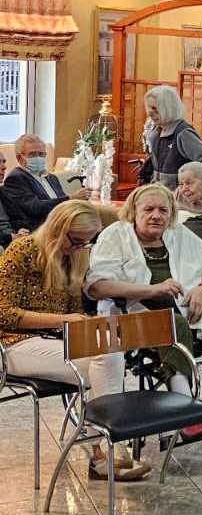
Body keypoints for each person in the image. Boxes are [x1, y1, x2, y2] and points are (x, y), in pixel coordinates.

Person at [86, 184, 202, 441]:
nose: (156, 215)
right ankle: (183, 406)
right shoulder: (115, 236)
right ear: (133, 211)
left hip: (187, 308)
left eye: (163, 210)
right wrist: (152, 290)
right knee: (171, 322)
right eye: (149, 209)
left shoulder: (177, 233)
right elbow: (97, 286)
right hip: (130, 314)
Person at [0, 202, 150, 481]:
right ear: (58, 229)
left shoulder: (73, 257)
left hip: (53, 339)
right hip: (12, 343)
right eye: (77, 240)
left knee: (109, 355)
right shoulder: (22, 250)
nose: (80, 247)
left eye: (86, 242)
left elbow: (73, 311)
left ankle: (101, 451)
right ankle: (105, 449)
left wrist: (86, 324)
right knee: (105, 364)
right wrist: (62, 320)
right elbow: (3, 313)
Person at [140, 85, 202, 190]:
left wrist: (191, 186)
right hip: (161, 194)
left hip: (179, 197)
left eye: (155, 109)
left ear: (168, 108)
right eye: (149, 109)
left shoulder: (183, 133)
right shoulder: (156, 132)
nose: (150, 114)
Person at [3, 134, 87, 232]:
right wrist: (70, 198)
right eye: (32, 154)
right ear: (19, 158)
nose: (38, 158)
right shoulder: (16, 178)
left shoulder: (51, 177)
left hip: (62, 223)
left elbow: (63, 203)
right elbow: (34, 207)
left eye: (41, 154)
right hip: (40, 229)